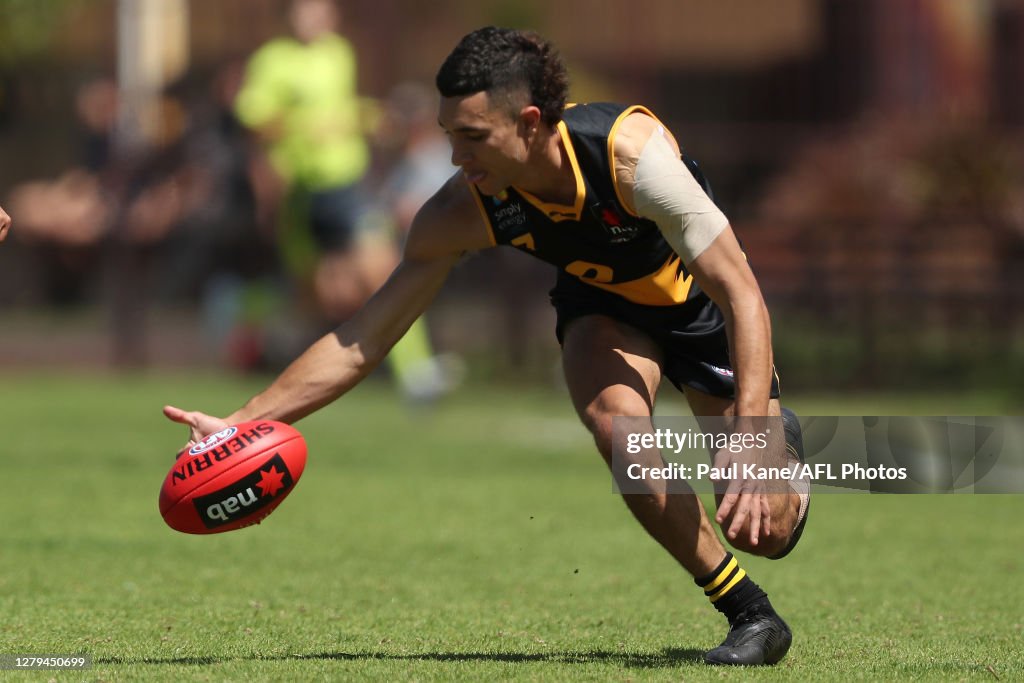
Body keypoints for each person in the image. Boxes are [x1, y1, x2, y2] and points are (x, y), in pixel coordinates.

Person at [165, 27, 809, 666]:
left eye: (472, 137)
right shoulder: (463, 208)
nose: (455, 158)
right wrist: (241, 423)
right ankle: (750, 615)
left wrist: (756, 439)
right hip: (604, 309)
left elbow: (742, 296)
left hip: (700, 309)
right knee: (620, 431)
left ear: (529, 123)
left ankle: (793, 443)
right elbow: (363, 336)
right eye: (450, 136)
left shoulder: (632, 158)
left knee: (766, 529)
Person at [233, 0, 448, 398]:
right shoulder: (272, 61)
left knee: (385, 270)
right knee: (317, 295)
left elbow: (341, 110)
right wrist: (304, 129)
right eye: (303, 10)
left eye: (319, 9)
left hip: (347, 184)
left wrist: (368, 117)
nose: (312, 18)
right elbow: (257, 121)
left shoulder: (339, 53)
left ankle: (418, 374)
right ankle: (244, 328)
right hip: (301, 194)